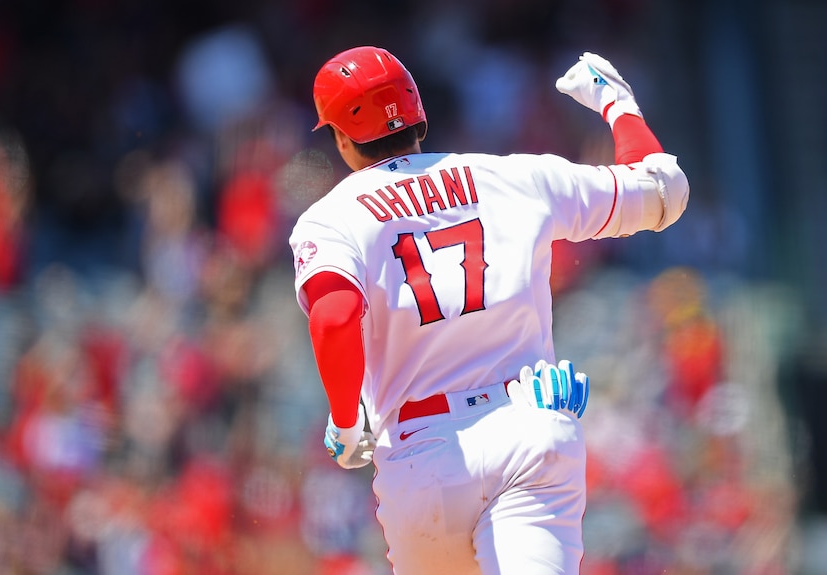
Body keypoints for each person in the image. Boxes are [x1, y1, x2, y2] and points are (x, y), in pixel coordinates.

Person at [288, 46, 689, 574]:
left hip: (421, 453)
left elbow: (335, 317)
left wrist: (345, 422)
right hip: (527, 424)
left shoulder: (330, 217)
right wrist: (617, 104)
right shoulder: (515, 175)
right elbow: (663, 192)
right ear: (418, 116)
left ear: (340, 137)